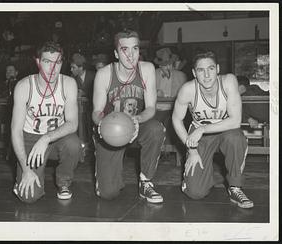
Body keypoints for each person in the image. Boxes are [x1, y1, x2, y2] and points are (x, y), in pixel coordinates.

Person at [172, 50, 254, 209]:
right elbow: (176, 119)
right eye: (201, 70)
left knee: (236, 138)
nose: (207, 75)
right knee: (195, 193)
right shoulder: (188, 89)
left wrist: (203, 128)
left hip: (225, 131)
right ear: (194, 73)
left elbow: (235, 121)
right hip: (199, 137)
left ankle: (235, 187)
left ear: (217, 69)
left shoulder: (229, 81)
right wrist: (192, 150)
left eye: (210, 69)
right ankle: (196, 180)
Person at [92, 29, 165, 203]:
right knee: (108, 193)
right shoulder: (104, 74)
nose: (131, 55)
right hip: (110, 129)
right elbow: (96, 112)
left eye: (135, 49)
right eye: (125, 50)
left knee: (156, 129)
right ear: (116, 53)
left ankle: (146, 182)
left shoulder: (147, 69)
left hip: (136, 124)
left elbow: (150, 108)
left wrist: (137, 120)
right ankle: (104, 178)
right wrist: (103, 124)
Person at [11, 41, 81, 203]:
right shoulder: (24, 86)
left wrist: (47, 138)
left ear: (62, 63)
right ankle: (22, 178)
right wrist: (26, 169)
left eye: (57, 63)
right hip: (30, 138)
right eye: (47, 62)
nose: (52, 68)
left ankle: (64, 182)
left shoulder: (69, 84)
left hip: (56, 138)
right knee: (28, 198)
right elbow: (15, 131)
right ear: (38, 62)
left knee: (73, 144)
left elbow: (72, 123)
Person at [70, 52, 96, 162]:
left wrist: (86, 96)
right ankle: (82, 151)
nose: (71, 70)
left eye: (73, 67)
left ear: (81, 67)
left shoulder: (93, 75)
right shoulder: (72, 79)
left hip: (92, 109)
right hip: (80, 110)